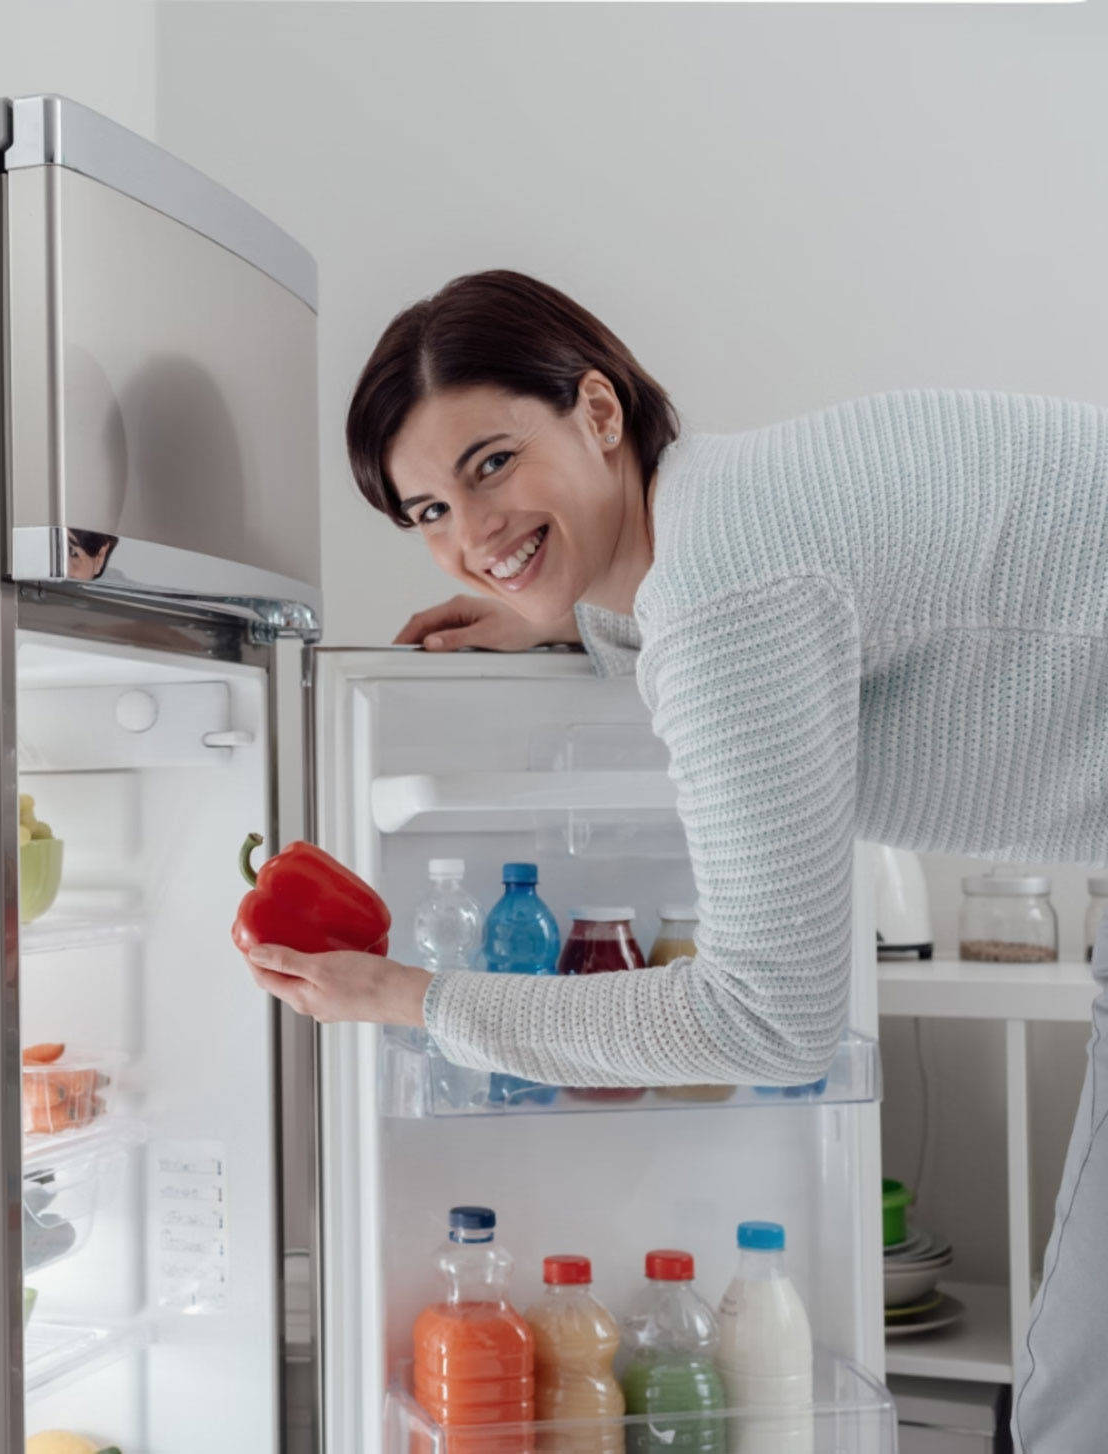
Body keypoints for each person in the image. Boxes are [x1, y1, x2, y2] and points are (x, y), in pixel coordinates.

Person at [235, 270, 1108, 1449]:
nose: (471, 534)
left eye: (491, 464)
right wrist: (574, 612)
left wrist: (415, 999)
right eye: (428, 510)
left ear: (599, 411)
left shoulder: (724, 588)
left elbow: (767, 1022)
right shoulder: (728, 519)